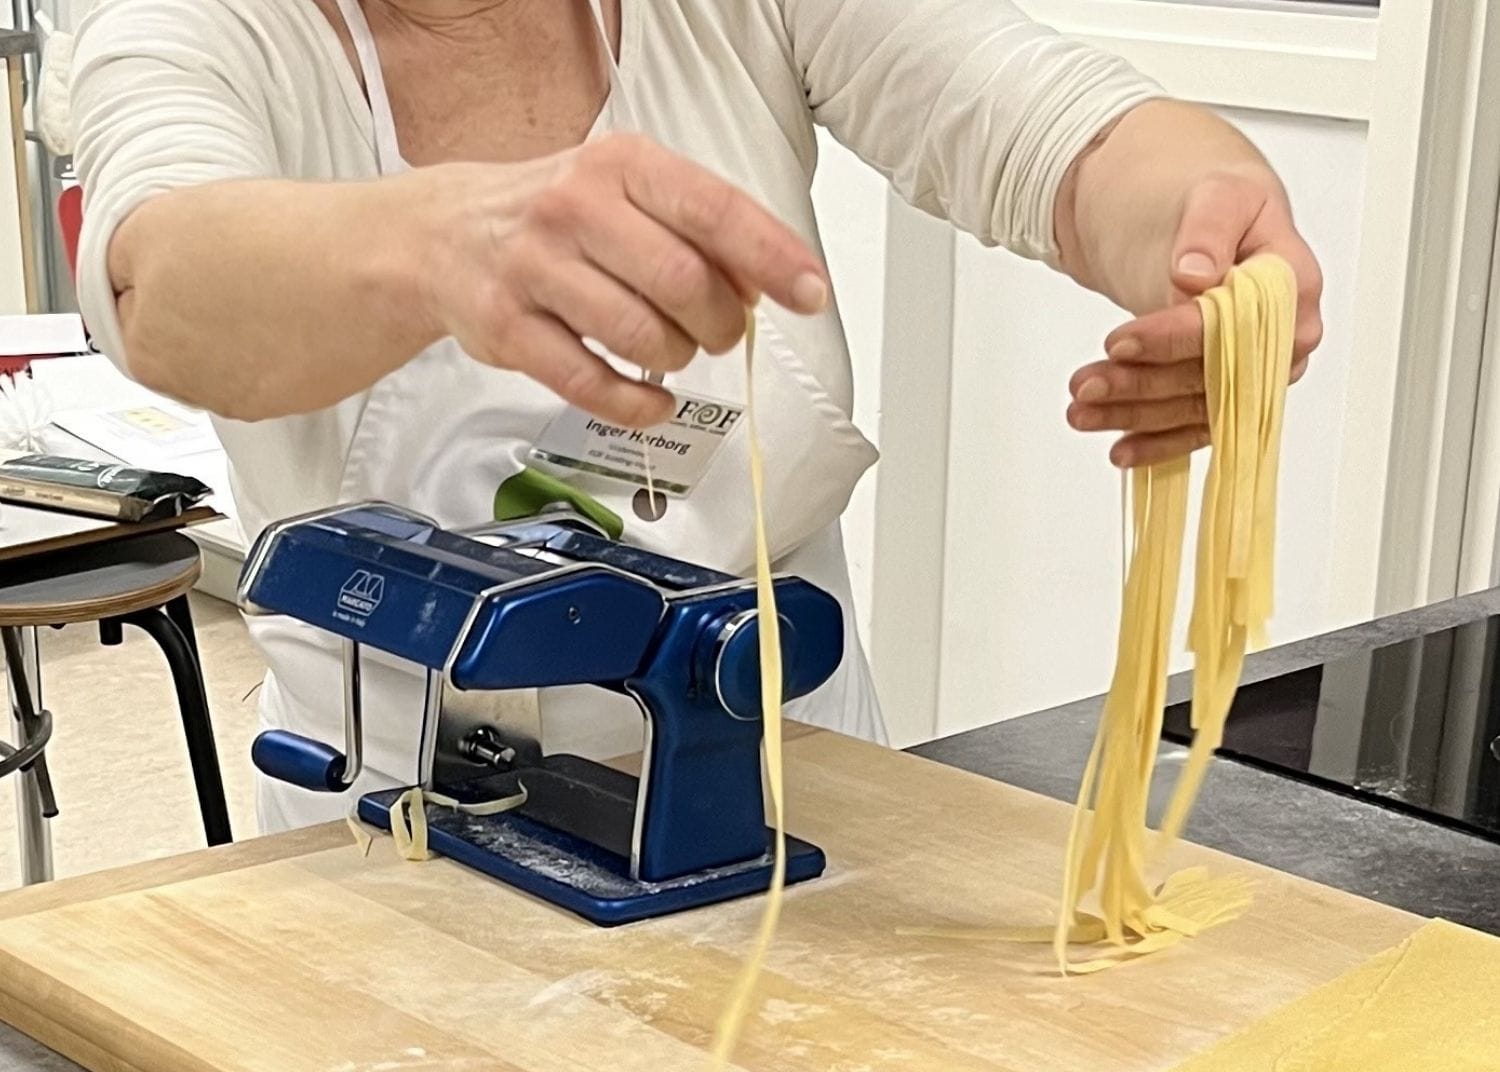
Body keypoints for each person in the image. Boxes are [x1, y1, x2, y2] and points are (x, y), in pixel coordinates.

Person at [70, 0, 1323, 832]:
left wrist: (1207, 237)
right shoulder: (198, 23)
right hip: (400, 825)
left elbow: (1057, 129)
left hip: (783, 784)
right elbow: (160, 281)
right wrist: (439, 241)